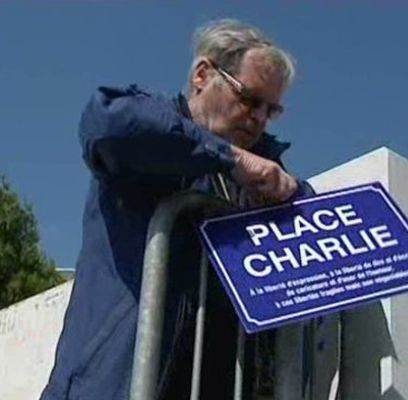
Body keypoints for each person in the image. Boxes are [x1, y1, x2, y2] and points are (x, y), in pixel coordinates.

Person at [41, 19, 311, 400]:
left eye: (272, 110)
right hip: (109, 384)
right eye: (249, 99)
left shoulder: (265, 173)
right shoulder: (150, 119)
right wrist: (230, 158)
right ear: (203, 75)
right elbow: (108, 124)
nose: (258, 119)